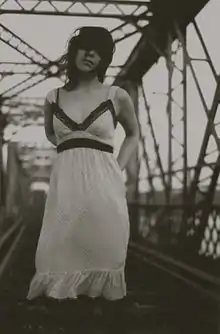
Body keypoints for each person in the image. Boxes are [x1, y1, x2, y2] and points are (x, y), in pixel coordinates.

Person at [27, 26, 139, 306]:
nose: (91, 54)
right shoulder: (53, 98)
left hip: (104, 188)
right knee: (53, 255)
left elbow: (134, 134)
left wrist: (117, 168)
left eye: (99, 51)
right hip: (65, 189)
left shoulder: (116, 96)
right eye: (85, 47)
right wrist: (73, 155)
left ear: (104, 60)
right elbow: (53, 136)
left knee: (105, 252)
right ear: (73, 52)